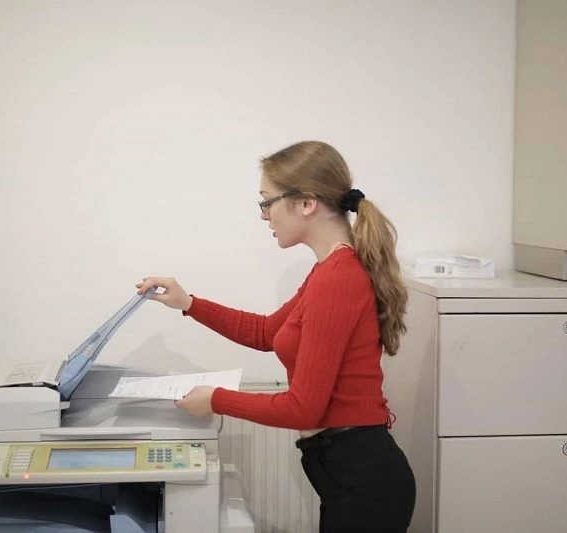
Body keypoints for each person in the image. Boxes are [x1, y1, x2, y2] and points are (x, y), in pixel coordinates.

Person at [136, 140, 416, 533]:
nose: (265, 216)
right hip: (347, 475)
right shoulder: (328, 271)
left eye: (267, 202)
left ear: (306, 203)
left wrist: (214, 400)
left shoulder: (338, 277)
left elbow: (304, 408)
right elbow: (267, 332)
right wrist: (188, 302)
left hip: (363, 480)